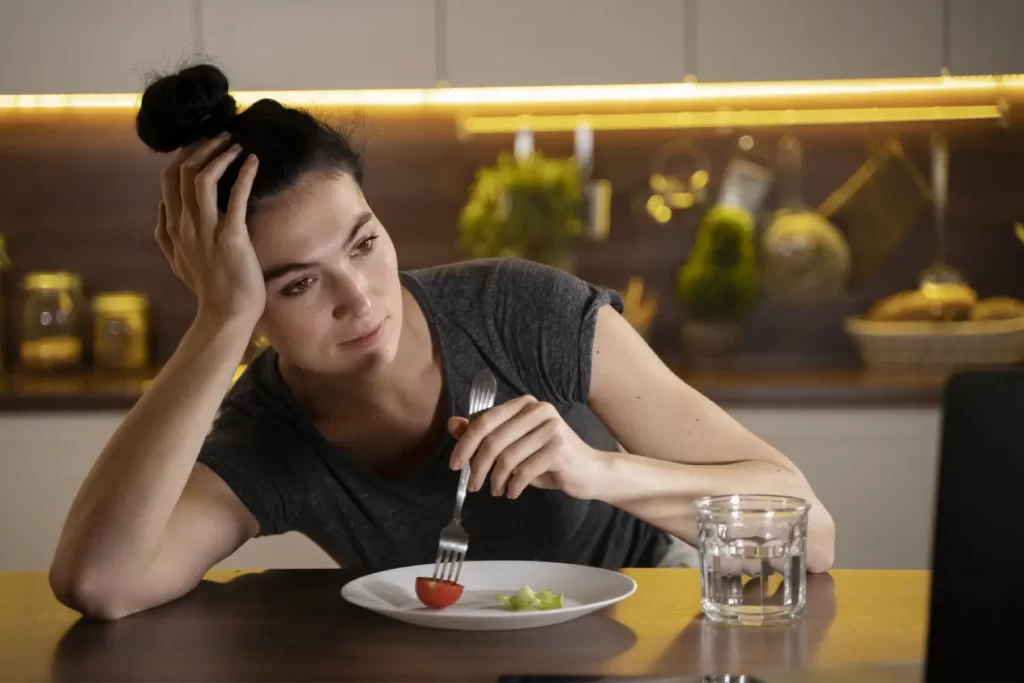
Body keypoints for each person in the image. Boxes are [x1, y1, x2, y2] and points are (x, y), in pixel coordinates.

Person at [49, 64, 835, 621]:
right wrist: (215, 323)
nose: (360, 299)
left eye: (363, 243)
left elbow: (812, 529)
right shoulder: (269, 437)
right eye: (296, 284)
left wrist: (597, 471)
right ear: (249, 305)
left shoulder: (518, 309)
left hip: (650, 625)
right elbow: (99, 583)